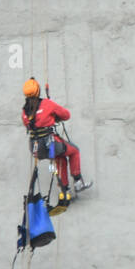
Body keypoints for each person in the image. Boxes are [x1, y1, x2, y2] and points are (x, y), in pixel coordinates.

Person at [21, 78, 91, 209]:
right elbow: (66, 115)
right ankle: (77, 181)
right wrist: (54, 115)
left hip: (36, 149)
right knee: (74, 151)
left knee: (61, 159)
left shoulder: (24, 112)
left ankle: (65, 192)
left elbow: (34, 123)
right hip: (50, 144)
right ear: (38, 91)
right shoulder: (47, 104)